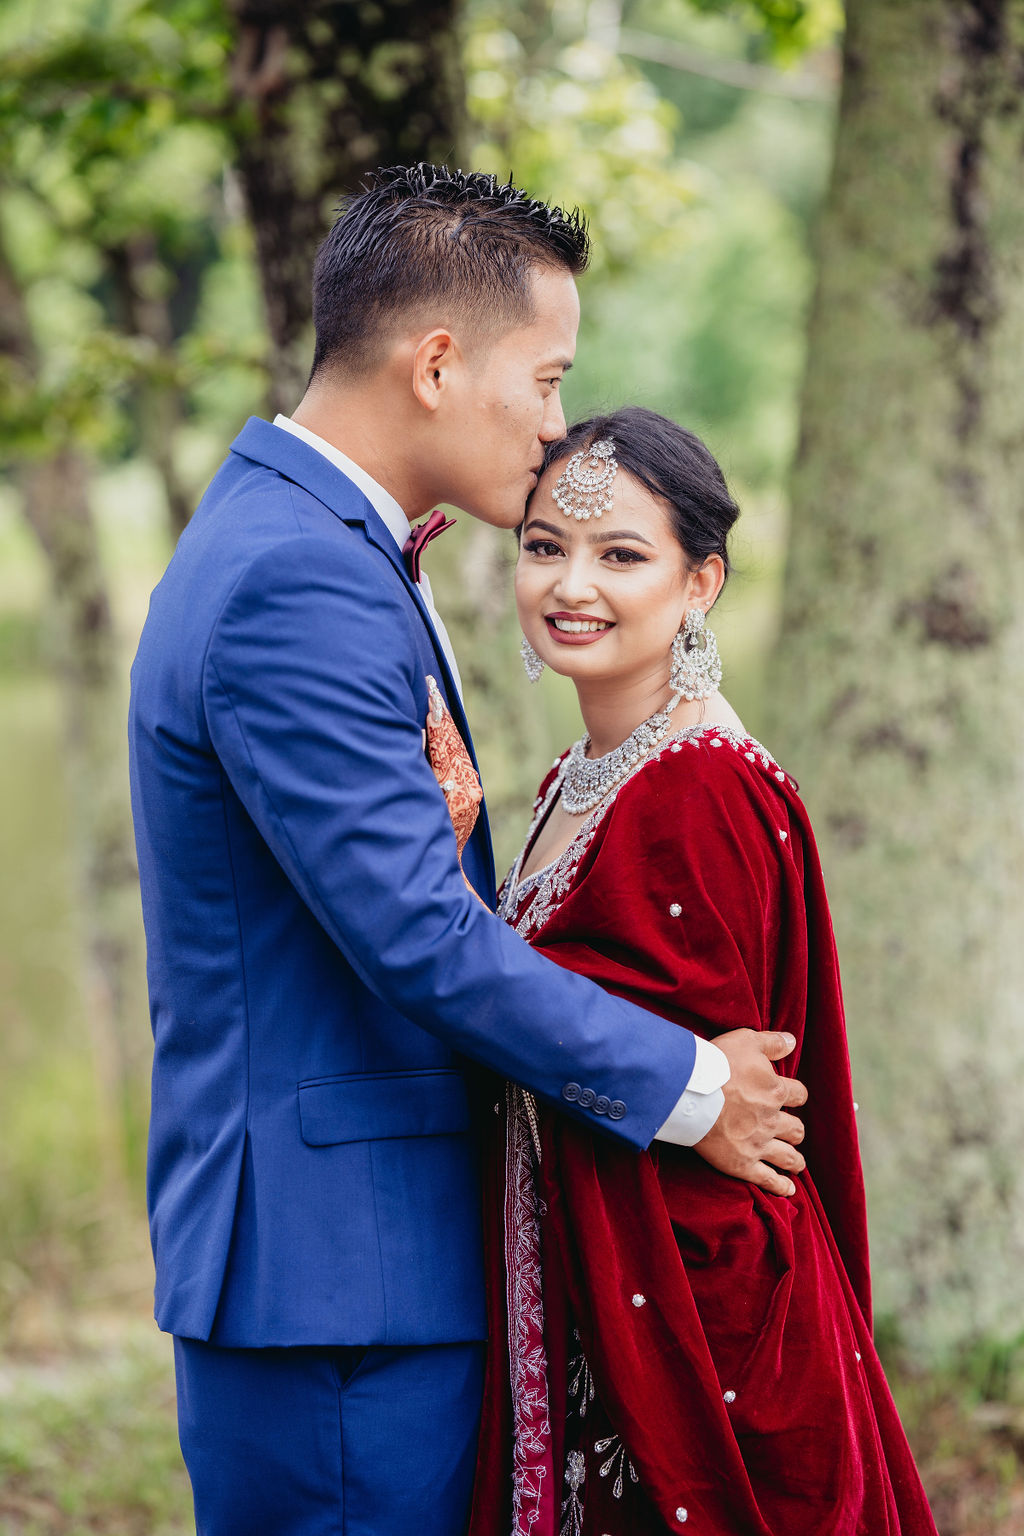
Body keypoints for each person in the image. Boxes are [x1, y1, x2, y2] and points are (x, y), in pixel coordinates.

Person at [127, 167, 808, 1536]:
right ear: (438, 362)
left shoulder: (313, 541)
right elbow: (420, 936)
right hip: (337, 1289)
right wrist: (688, 1085)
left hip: (362, 1268)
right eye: (546, 379)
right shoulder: (296, 581)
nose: (557, 424)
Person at [468, 408, 939, 1535]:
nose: (569, 584)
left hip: (689, 1307)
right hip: (586, 1283)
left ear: (699, 586)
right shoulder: (574, 777)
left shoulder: (700, 787)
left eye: (620, 555)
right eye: (544, 546)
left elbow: (727, 1099)